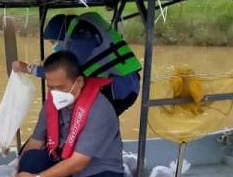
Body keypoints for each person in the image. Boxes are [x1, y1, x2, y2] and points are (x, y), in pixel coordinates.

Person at [9, 51, 128, 177]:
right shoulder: (53, 103)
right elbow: (35, 142)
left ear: (78, 82)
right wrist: (15, 168)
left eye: (61, 87)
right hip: (64, 168)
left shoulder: (100, 109)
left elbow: (79, 162)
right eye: (51, 87)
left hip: (97, 174)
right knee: (31, 158)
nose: (55, 93)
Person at [13, 13, 141, 116]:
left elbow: (63, 73)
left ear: (61, 35)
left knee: (95, 123)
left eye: (53, 42)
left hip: (120, 88)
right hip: (126, 82)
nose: (54, 47)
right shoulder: (83, 31)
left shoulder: (80, 37)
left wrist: (28, 68)